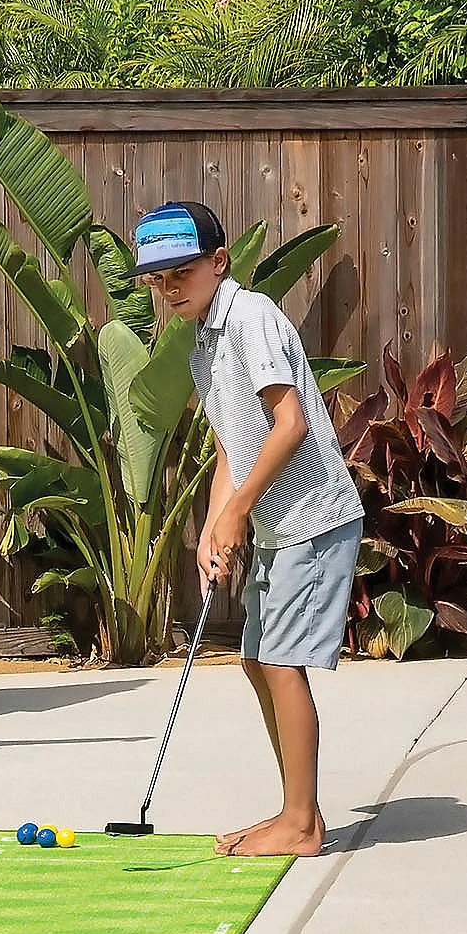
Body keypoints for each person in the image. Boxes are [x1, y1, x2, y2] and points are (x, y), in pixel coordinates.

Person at [132, 201, 363, 856]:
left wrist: (237, 512)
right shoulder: (205, 341)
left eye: (181, 273)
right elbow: (233, 445)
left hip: (313, 518)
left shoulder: (251, 317)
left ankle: (301, 824)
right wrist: (214, 525)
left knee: (282, 663)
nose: (169, 288)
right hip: (277, 524)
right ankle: (296, 811)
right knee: (257, 660)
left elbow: (290, 425)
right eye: (158, 279)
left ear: (219, 262)